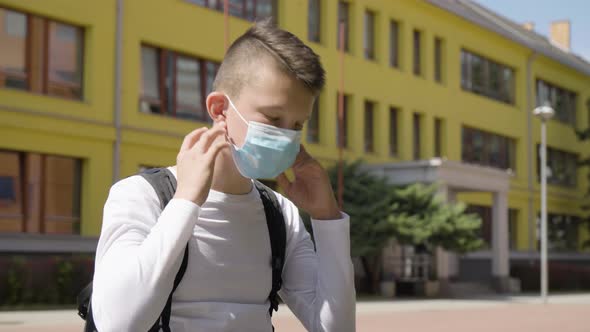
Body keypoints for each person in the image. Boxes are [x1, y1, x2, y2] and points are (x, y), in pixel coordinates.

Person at [91, 19, 356, 332]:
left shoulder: (280, 213)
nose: (286, 136)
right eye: (273, 117)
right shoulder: (140, 195)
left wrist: (327, 218)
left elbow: (335, 329)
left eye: (297, 125)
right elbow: (120, 324)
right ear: (220, 109)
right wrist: (186, 201)